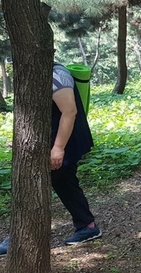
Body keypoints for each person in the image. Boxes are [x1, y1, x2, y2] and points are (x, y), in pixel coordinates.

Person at [0, 63, 102, 256]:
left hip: (64, 142)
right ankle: (87, 226)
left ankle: (19, 238)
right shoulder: (40, 72)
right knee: (66, 183)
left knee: (33, 185)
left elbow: (69, 111)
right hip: (62, 141)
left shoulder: (56, 75)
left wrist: (58, 148)